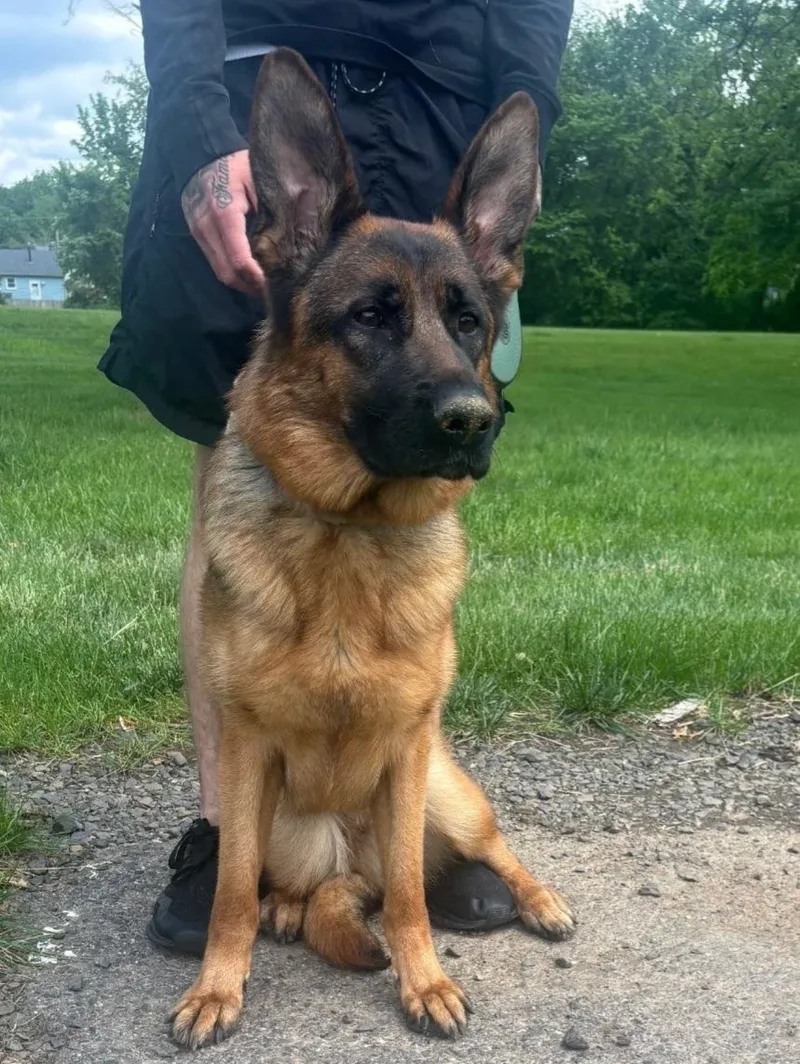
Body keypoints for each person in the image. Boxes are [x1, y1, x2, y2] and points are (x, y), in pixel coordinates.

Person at [99, 0, 574, 957]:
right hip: (248, 93)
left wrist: (530, 108)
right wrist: (199, 131)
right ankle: (228, 829)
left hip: (442, 91)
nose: (467, 401)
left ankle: (390, 848)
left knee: (407, 516)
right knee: (230, 482)